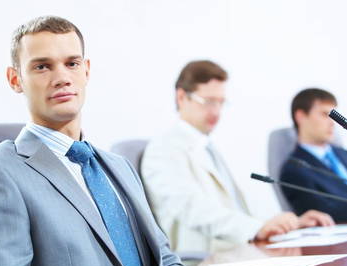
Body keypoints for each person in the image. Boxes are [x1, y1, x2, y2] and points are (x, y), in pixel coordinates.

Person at [0, 16, 187, 266]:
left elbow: (166, 259)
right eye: (43, 66)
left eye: (72, 64)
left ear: (86, 70)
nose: (62, 78)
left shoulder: (119, 166)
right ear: (15, 79)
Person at [140, 60, 334, 254]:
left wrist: (290, 223)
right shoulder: (164, 149)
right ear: (182, 97)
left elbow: (237, 209)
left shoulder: (208, 147)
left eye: (220, 102)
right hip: (202, 262)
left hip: (237, 252)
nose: (216, 111)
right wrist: (256, 229)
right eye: (208, 101)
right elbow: (192, 209)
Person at [280, 88, 347, 222]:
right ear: (301, 116)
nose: (332, 122)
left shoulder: (343, 153)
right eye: (324, 114)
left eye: (334, 115)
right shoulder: (294, 170)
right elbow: (326, 214)